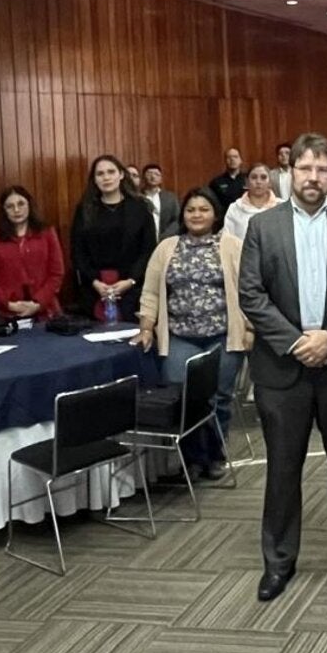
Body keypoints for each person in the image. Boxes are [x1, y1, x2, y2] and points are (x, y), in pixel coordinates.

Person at [238, 133, 327, 602]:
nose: (314, 178)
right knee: (282, 469)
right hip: (283, 368)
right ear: (291, 173)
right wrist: (296, 341)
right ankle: (278, 560)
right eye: (306, 169)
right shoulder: (264, 226)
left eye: (323, 169)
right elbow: (251, 295)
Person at [132, 187, 244, 479]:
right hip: (180, 337)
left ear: (215, 214)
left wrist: (251, 330)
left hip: (222, 336)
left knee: (219, 398)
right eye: (191, 209)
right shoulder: (167, 247)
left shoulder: (232, 246)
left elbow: (247, 291)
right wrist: (146, 326)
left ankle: (215, 455)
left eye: (203, 209)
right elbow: (151, 291)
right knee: (183, 399)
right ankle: (193, 459)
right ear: (183, 215)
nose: (197, 215)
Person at [70, 154, 157, 321]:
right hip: (94, 289)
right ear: (94, 179)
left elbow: (148, 249)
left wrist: (131, 280)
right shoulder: (84, 210)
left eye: (111, 172)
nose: (106, 177)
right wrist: (95, 282)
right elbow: (77, 252)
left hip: (133, 289)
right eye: (100, 174)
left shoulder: (140, 207)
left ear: (121, 175)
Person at [0, 186, 65, 320]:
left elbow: (56, 274)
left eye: (21, 204)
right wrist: (8, 304)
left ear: (29, 205)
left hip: (46, 312)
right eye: (10, 206)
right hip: (8, 313)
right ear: (4, 211)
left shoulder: (47, 233)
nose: (16, 210)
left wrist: (38, 303)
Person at [223, 163, 281, 240]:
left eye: (263, 177)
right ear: (247, 182)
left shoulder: (282, 206)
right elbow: (228, 241)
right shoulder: (235, 208)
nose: (258, 182)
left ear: (270, 182)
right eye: (254, 177)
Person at [143, 164, 181, 239]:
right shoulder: (137, 197)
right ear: (143, 177)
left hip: (165, 239)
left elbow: (177, 219)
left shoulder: (170, 198)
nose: (153, 177)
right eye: (149, 173)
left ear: (161, 179)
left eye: (157, 174)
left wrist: (165, 236)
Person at [208, 147, 247, 214]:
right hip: (225, 218)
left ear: (241, 160)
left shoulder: (248, 179)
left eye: (235, 157)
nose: (232, 159)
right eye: (229, 157)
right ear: (225, 161)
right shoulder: (216, 182)